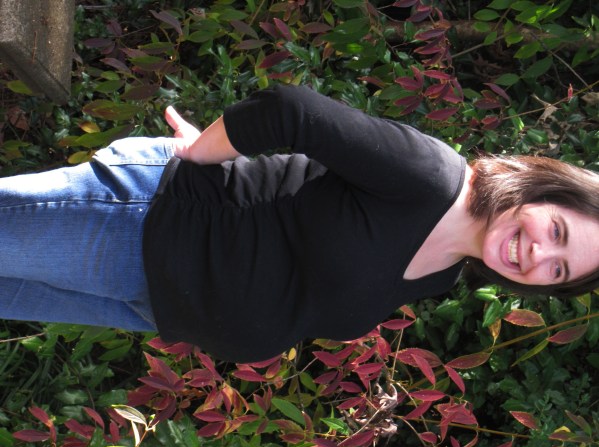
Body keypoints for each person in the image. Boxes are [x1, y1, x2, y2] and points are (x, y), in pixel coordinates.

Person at [1, 84, 598, 363]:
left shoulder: (442, 275)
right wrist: (203, 153)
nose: (540, 256)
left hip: (153, 301)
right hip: (148, 224)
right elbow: (296, 112)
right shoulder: (430, 177)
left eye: (559, 271)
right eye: (558, 233)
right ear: (543, 190)